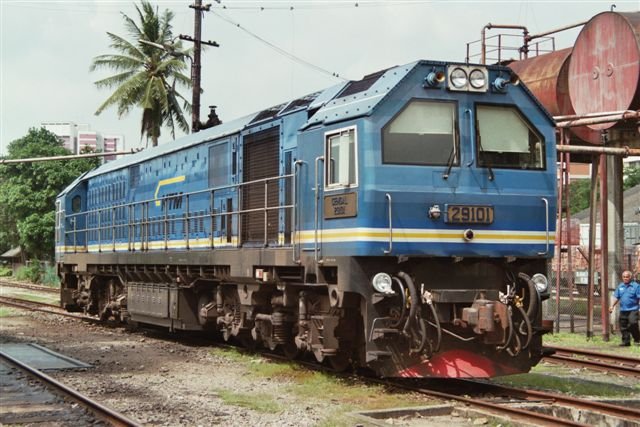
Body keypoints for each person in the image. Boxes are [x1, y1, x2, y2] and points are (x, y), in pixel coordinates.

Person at [609, 270, 640, 347]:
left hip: (633, 309)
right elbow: (616, 297)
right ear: (622, 278)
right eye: (624, 277)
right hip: (623, 310)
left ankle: (637, 339)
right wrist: (612, 306)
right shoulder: (620, 286)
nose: (625, 278)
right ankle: (626, 342)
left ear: (630, 277)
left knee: (633, 323)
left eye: (627, 277)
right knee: (623, 326)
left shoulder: (636, 286)